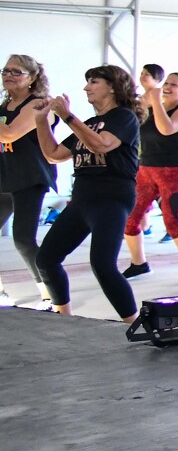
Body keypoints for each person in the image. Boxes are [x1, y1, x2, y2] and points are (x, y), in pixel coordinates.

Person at [28, 65, 144, 322]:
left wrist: (68, 116)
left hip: (111, 197)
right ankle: (64, 318)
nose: (86, 87)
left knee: (103, 264)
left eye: (93, 82)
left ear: (112, 87)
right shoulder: (89, 124)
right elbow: (54, 154)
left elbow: (101, 144)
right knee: (46, 259)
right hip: (83, 198)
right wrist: (41, 121)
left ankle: (134, 323)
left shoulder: (123, 117)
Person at [121, 69, 178, 283]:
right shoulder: (152, 106)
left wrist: (155, 102)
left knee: (172, 219)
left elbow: (166, 129)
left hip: (174, 170)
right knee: (131, 217)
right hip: (147, 168)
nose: (168, 87)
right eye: (167, 83)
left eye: (174, 85)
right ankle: (139, 263)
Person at [1, 54, 57, 305]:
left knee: (23, 239)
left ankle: (50, 292)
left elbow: (10, 134)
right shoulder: (5, 105)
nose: (8, 76)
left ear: (32, 78)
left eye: (16, 72)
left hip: (29, 177)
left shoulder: (39, 104)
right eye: (5, 71)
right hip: (4, 175)